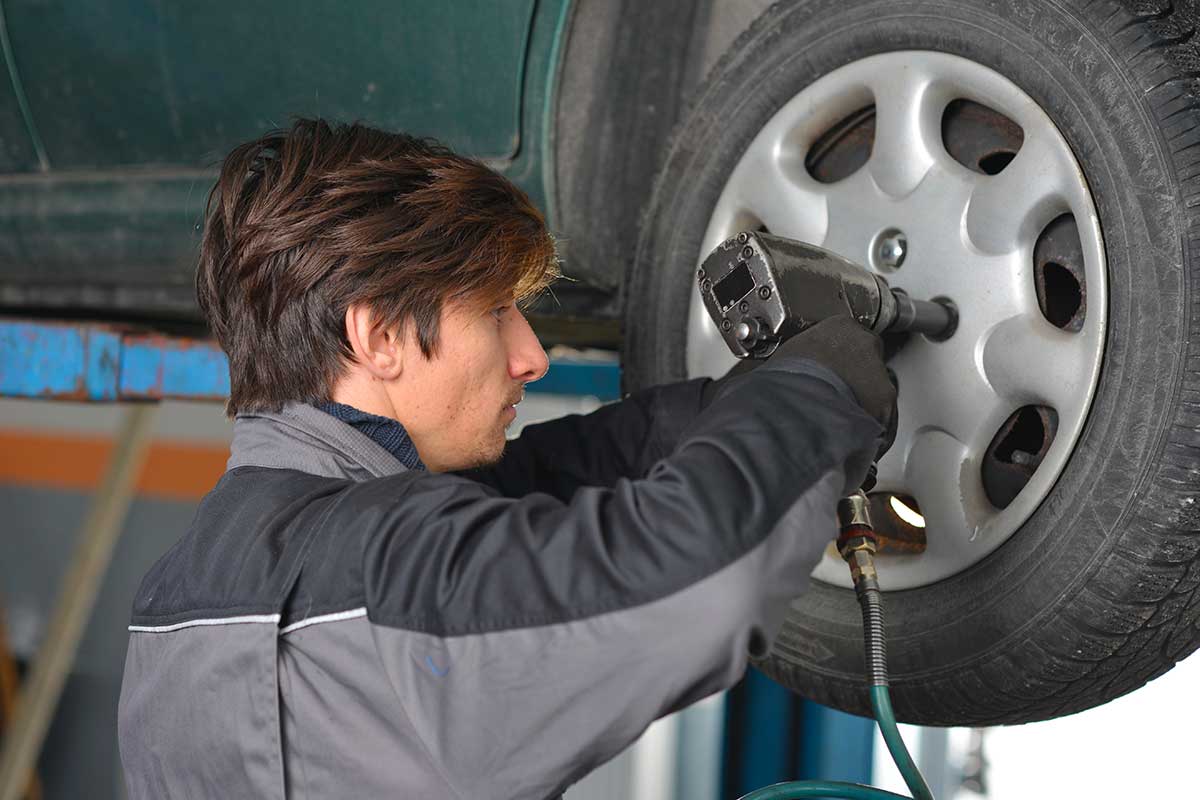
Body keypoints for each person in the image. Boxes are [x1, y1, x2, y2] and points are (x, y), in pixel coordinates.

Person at [117, 118, 896, 800]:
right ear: (379, 337)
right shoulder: (380, 576)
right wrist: (817, 391)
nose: (530, 355)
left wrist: (737, 397)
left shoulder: (189, 586)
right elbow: (699, 581)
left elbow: (542, 480)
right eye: (495, 310)